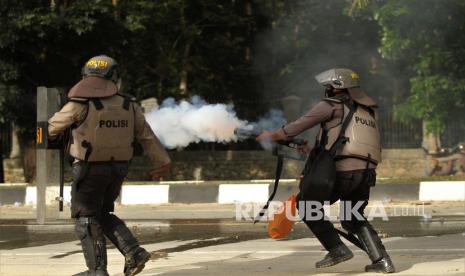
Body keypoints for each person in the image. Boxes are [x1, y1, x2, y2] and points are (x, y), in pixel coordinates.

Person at [257, 68, 395, 273]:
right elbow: (345, 142)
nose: (327, 90)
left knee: (306, 205)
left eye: (328, 86)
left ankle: (337, 249)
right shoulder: (367, 111)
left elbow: (297, 126)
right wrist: (310, 150)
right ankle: (382, 261)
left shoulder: (331, 105)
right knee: (353, 217)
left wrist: (272, 135)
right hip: (365, 174)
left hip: (341, 172)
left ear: (337, 87)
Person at [48, 55, 171, 276]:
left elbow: (50, 130)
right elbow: (147, 137)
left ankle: (97, 271)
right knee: (102, 212)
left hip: (89, 170)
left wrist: (46, 135)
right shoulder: (129, 105)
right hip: (118, 169)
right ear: (114, 77)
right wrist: (162, 162)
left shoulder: (79, 104)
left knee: (85, 217)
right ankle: (134, 252)